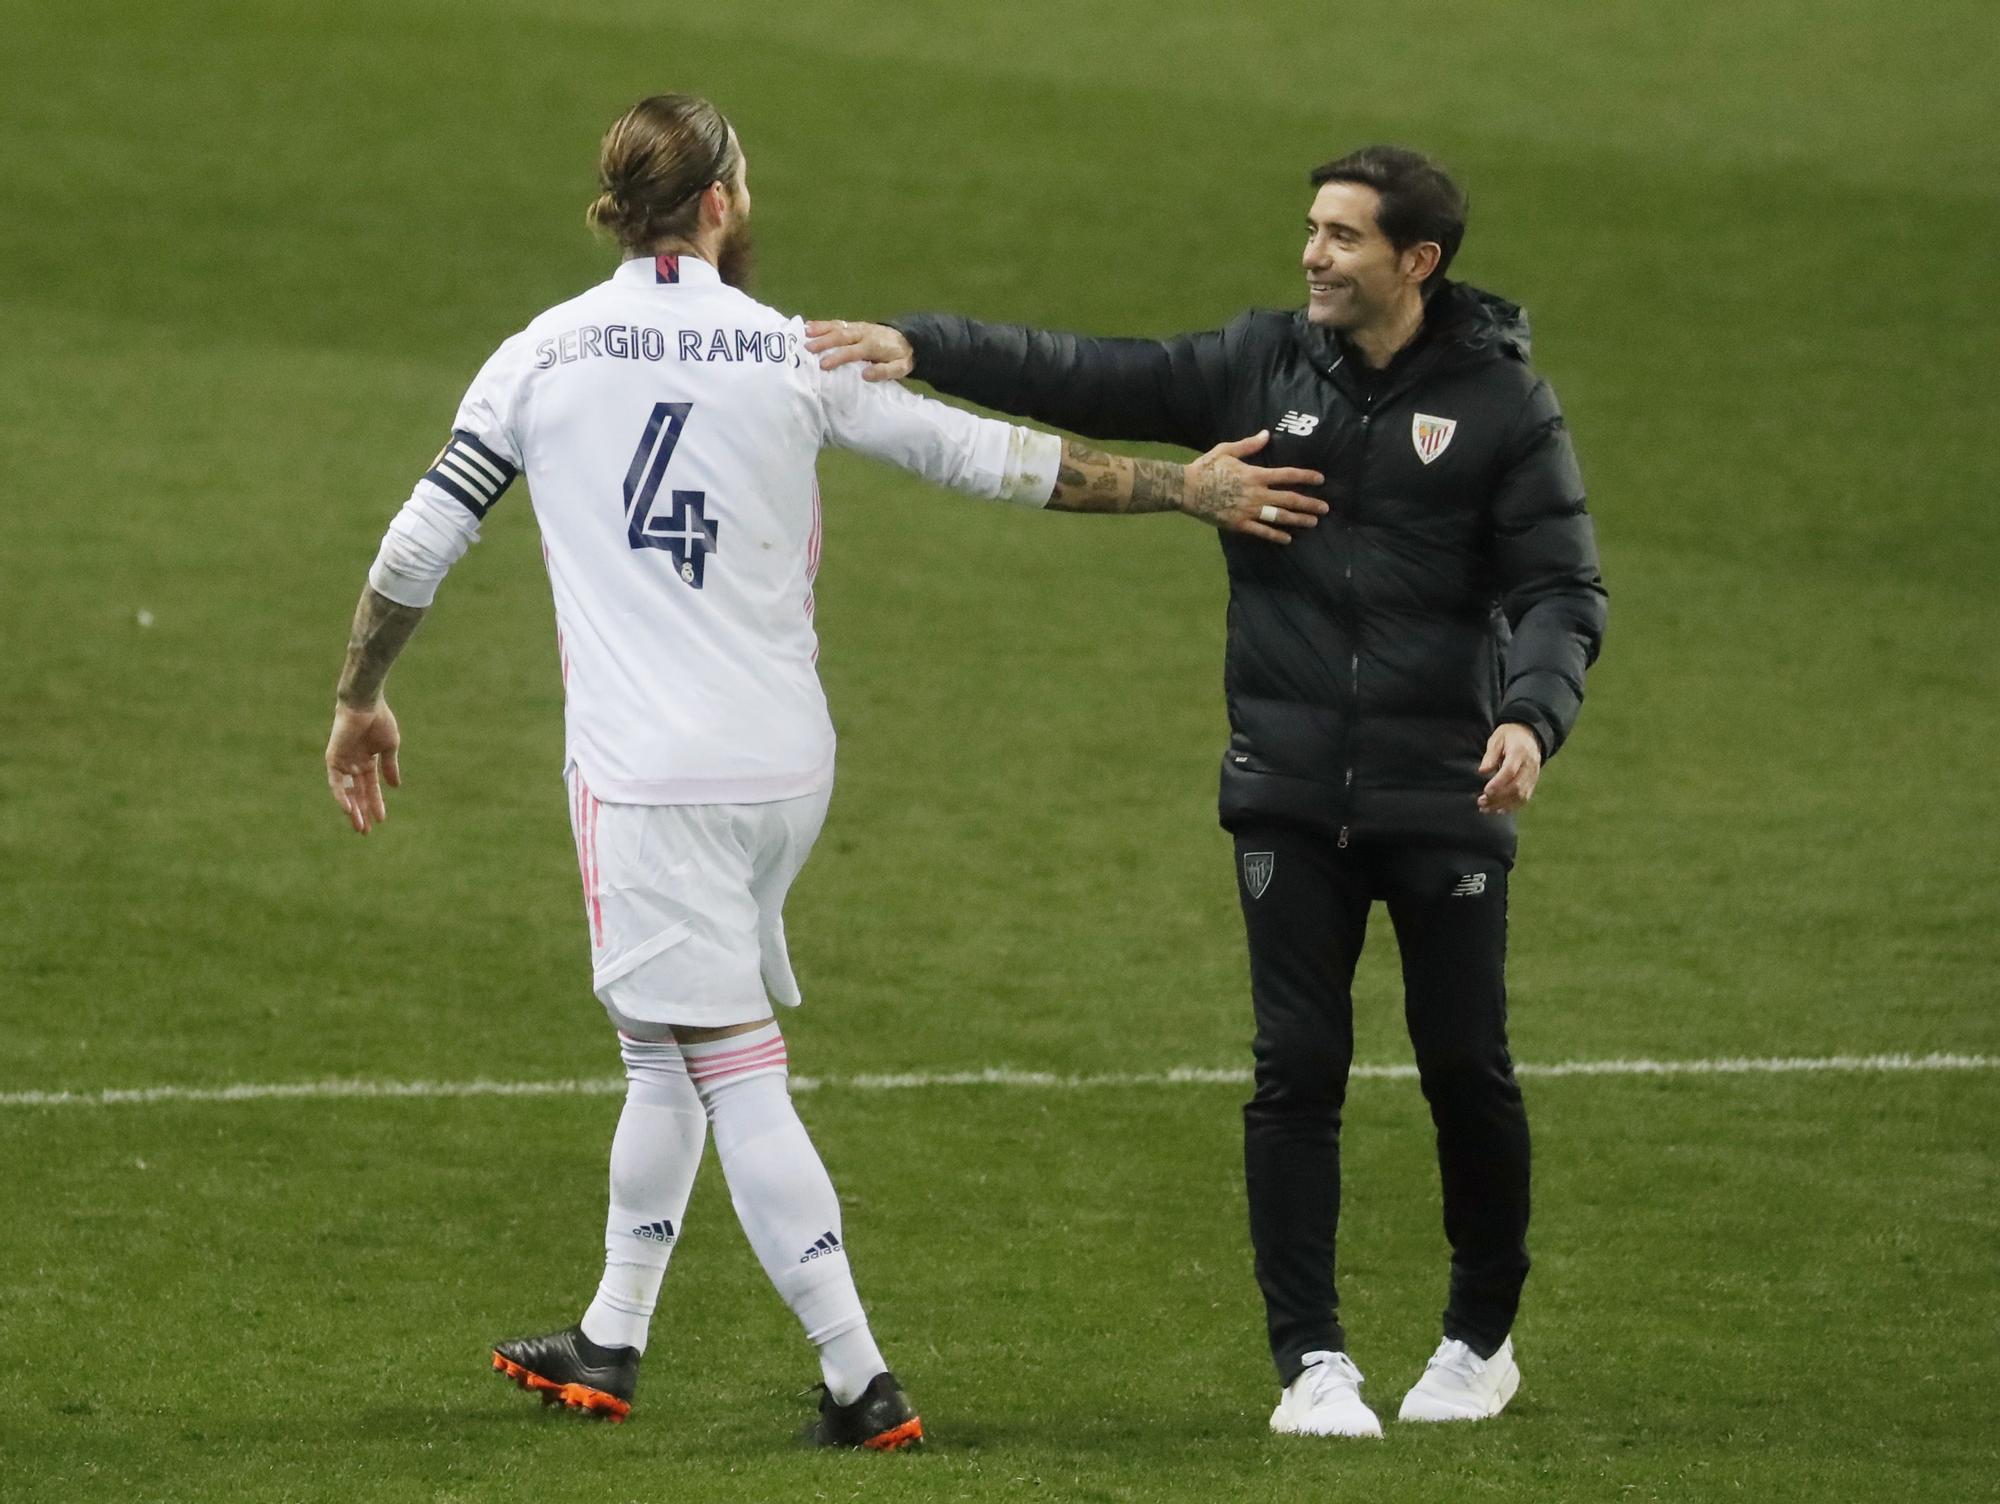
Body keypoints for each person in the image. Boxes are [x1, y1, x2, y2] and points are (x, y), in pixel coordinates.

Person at [321, 93, 1323, 1451]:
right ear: (723, 202)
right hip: (785, 769)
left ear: (620, 208)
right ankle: (610, 1338)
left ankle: (861, 1379)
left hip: (650, 780)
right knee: (663, 1052)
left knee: (729, 1062)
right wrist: (1177, 489)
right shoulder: (792, 351)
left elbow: (413, 551)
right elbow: (992, 458)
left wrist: (359, 696)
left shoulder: (540, 356)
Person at [808, 145, 1608, 1438]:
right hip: (1287, 789)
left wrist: (1531, 716)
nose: (1313, 255)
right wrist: (919, 343)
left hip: (1443, 792)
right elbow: (1087, 370)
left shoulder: (1505, 405)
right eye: (1311, 229)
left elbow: (1563, 590)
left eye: (1343, 236)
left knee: (1466, 1065)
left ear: (1420, 261)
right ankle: (1313, 1362)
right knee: (1297, 1069)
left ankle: (1479, 1337)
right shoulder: (1260, 365)